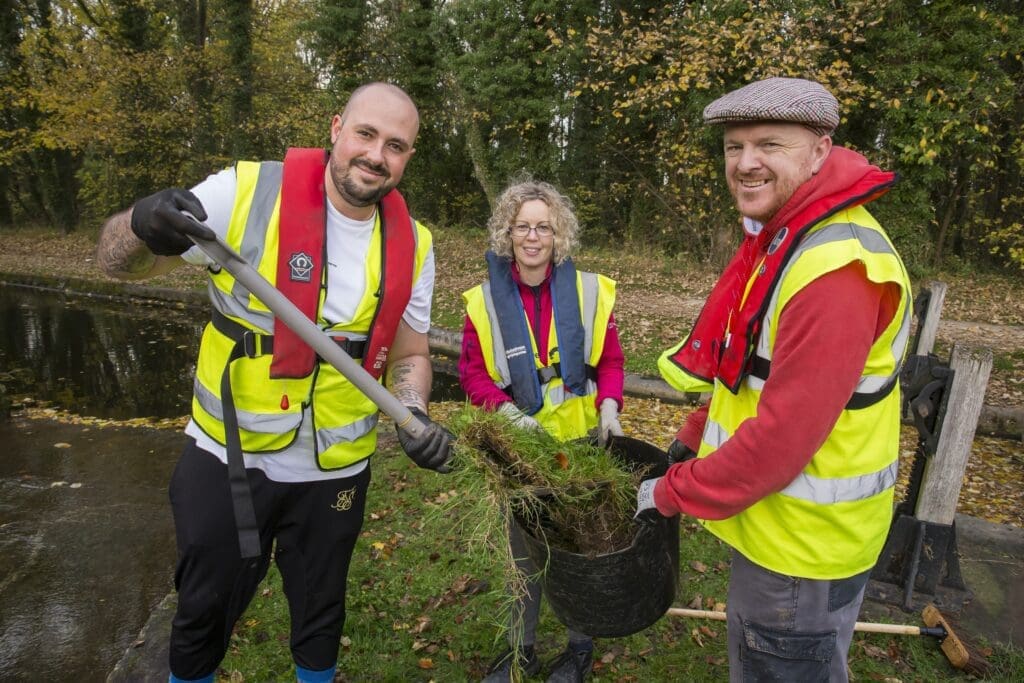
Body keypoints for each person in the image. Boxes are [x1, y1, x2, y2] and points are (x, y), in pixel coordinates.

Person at [95, 82, 452, 683]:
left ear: (408, 157)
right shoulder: (247, 192)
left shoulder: (415, 243)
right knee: (203, 611)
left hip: (337, 469)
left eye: (395, 145)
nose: (375, 155)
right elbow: (115, 265)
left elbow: (411, 353)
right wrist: (138, 225)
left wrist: (412, 412)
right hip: (227, 458)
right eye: (366, 134)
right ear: (337, 128)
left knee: (320, 615)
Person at [635, 77, 911, 682]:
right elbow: (752, 367)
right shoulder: (788, 237)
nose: (745, 162)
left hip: (804, 554)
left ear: (819, 149)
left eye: (769, 144)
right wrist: (695, 429)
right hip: (782, 536)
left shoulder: (835, 269)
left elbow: (781, 440)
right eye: (734, 147)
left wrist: (670, 491)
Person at [458, 178, 625, 682]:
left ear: (559, 236)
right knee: (521, 550)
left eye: (543, 228)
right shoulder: (483, 300)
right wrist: (506, 414)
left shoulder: (592, 290)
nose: (532, 237)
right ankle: (519, 651)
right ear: (507, 233)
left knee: (578, 546)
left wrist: (611, 406)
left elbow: (611, 362)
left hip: (578, 445)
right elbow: (472, 374)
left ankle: (578, 652)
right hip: (518, 448)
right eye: (522, 226)